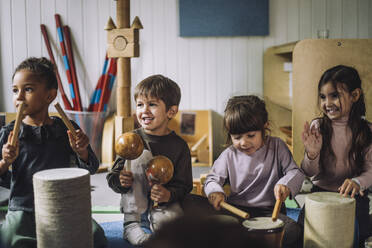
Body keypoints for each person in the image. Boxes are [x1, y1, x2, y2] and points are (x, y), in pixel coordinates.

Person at [0, 57, 107, 248]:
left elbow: (91, 167)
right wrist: (5, 162)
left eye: (28, 89)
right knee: (8, 240)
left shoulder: (66, 128)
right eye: (15, 90)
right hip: (24, 207)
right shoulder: (8, 134)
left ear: (50, 96)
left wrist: (81, 151)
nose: (19, 97)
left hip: (63, 205)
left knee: (96, 237)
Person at [204, 95, 305, 248]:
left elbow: (294, 172)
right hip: (237, 211)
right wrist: (215, 191)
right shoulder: (229, 154)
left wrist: (285, 184)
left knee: (293, 231)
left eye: (251, 135)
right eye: (237, 137)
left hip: (270, 212)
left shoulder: (277, 147)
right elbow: (212, 179)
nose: (243, 142)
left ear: (265, 127)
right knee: (208, 228)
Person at [106, 74, 193, 245]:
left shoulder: (180, 146)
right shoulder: (129, 141)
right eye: (140, 105)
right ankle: (131, 225)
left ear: (171, 111)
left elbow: (184, 185)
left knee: (176, 236)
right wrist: (120, 179)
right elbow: (112, 177)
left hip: (164, 206)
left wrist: (168, 194)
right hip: (134, 207)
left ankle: (157, 223)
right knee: (142, 154)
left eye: (152, 104)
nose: (144, 110)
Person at [300, 65, 372, 246]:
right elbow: (308, 172)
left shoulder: (367, 131)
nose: (327, 103)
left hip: (353, 197)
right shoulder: (318, 126)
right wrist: (312, 153)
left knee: (357, 236)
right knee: (302, 234)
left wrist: (357, 181)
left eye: (335, 96)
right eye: (323, 97)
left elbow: (370, 171)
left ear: (355, 96)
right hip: (320, 194)